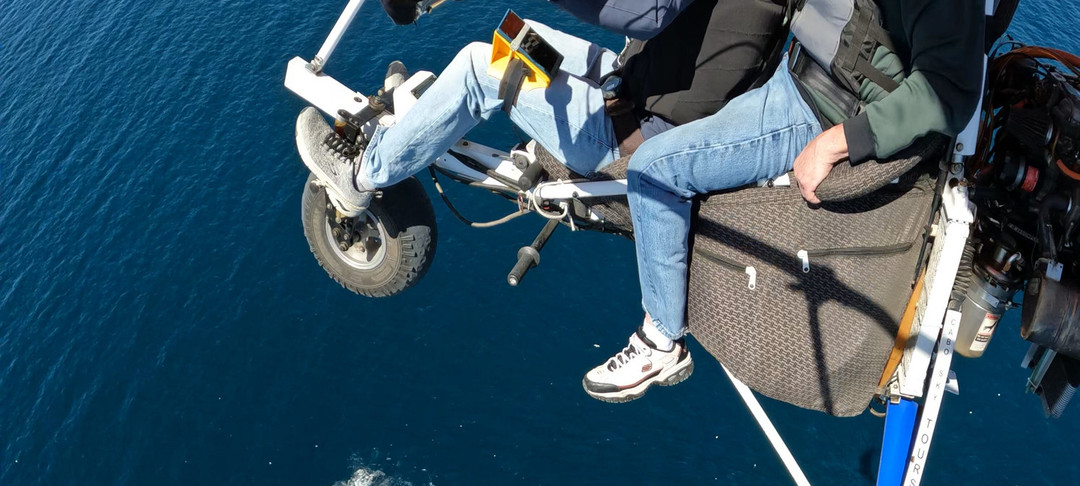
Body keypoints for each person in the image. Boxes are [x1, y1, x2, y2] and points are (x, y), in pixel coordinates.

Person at [581, 0, 987, 403]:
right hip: (795, 72)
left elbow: (948, 91)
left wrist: (836, 143)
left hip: (817, 110)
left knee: (654, 170)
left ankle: (661, 341)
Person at [296, 0, 791, 213]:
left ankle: (363, 176)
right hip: (637, 83)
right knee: (518, 33)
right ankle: (421, 121)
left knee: (477, 66)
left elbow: (644, 13)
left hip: (632, 138)